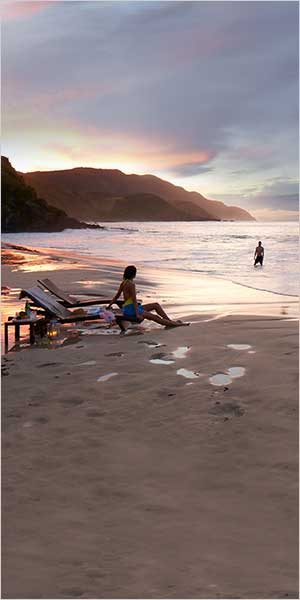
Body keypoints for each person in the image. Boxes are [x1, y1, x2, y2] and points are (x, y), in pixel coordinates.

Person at [108, 265, 189, 327]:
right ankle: (175, 324)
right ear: (133, 274)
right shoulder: (131, 284)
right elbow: (134, 300)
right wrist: (137, 315)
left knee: (156, 305)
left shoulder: (124, 282)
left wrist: (109, 306)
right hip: (132, 310)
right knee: (155, 317)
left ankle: (170, 321)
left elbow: (117, 296)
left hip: (128, 308)